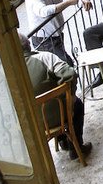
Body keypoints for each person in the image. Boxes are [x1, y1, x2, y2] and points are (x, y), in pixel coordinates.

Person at [19, 32, 92, 161]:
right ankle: (76, 148)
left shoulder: (9, 73)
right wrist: (71, 94)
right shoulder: (45, 57)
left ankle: (63, 140)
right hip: (58, 116)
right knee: (77, 104)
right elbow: (70, 75)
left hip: (33, 125)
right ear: (29, 45)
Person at [25, 0, 92, 66]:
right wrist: (68, 3)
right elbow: (43, 11)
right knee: (65, 65)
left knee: (63, 65)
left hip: (57, 34)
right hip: (44, 39)